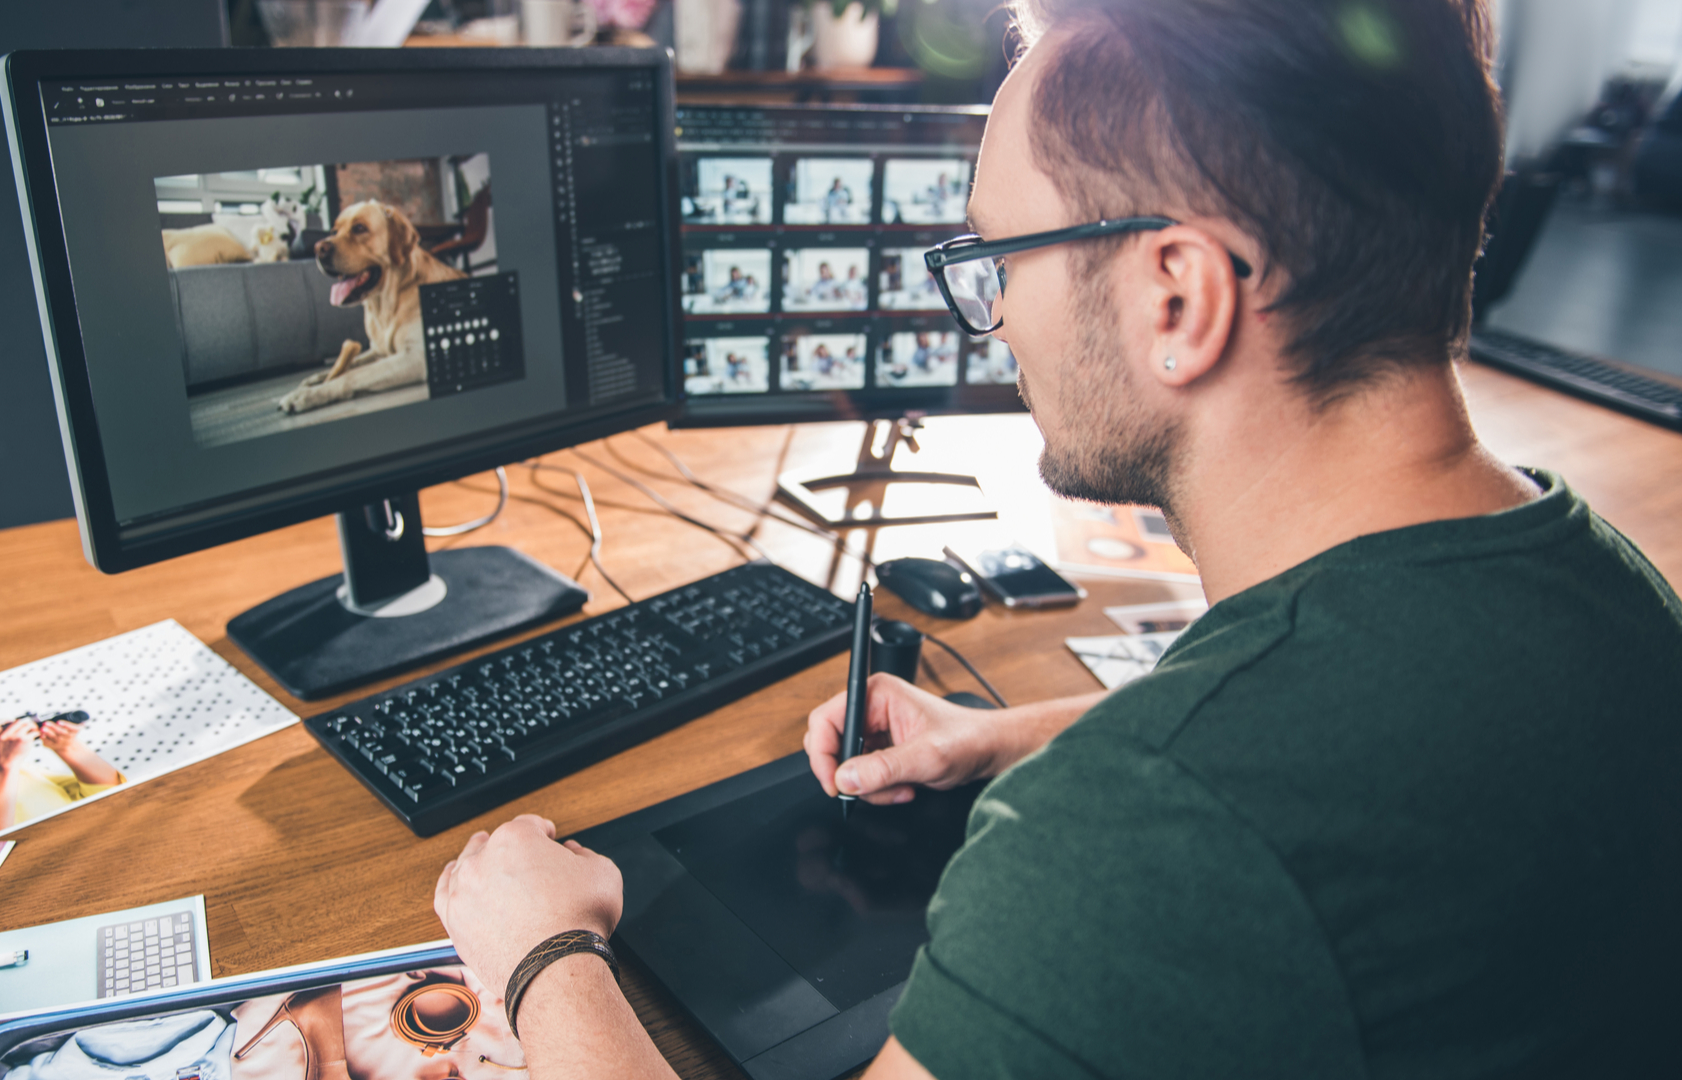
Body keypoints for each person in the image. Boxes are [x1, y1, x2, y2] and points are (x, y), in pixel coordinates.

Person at [433, 0, 1682, 1076]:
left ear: (1177, 297)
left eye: (998, 258)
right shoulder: (1609, 590)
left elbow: (1224, 807)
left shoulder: (1144, 834)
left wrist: (546, 955)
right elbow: (1382, 742)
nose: (993, 321)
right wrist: (1013, 738)